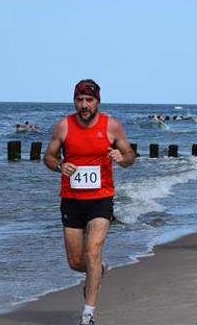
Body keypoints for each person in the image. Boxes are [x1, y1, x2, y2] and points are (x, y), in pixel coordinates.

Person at [43, 79, 135, 325]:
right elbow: (48, 157)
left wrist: (121, 157)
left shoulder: (111, 126)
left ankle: (88, 313)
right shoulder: (63, 126)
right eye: (80, 100)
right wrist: (60, 166)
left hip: (101, 199)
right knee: (76, 262)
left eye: (89, 100)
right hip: (71, 200)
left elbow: (130, 157)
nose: (84, 105)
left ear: (97, 102)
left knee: (92, 251)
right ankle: (98, 270)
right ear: (75, 101)